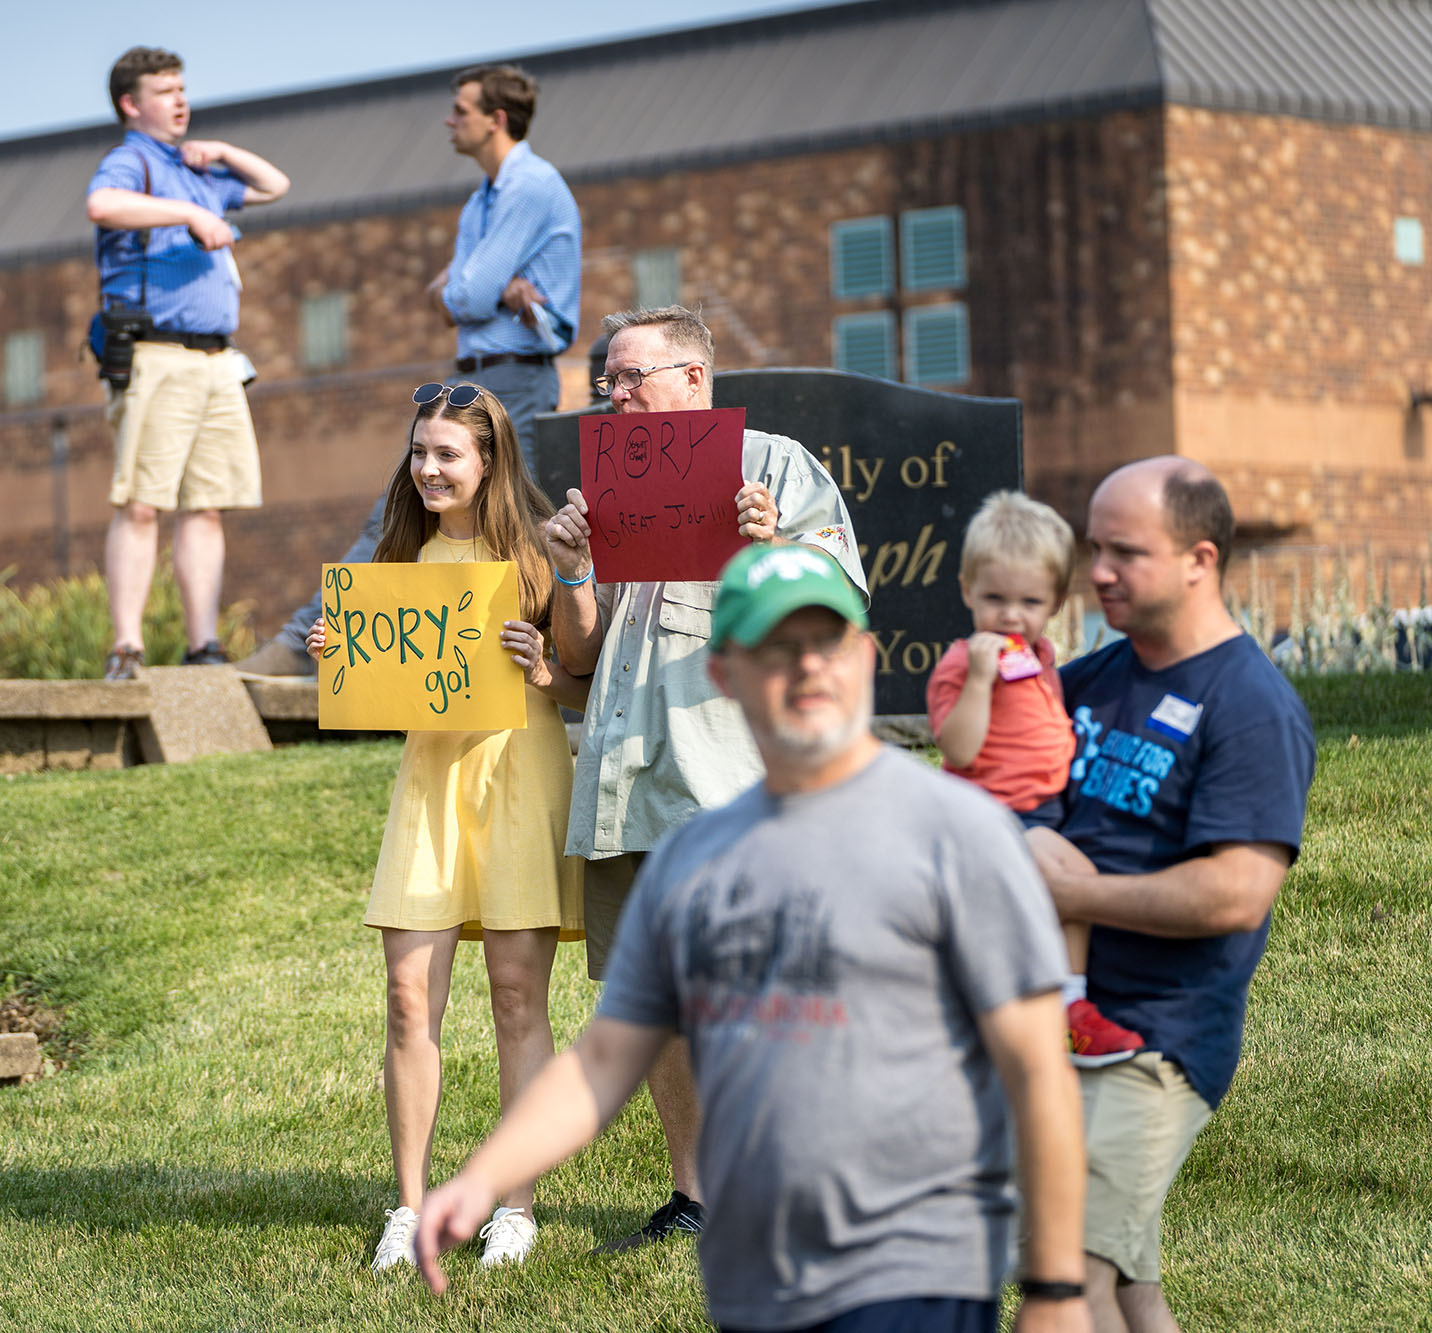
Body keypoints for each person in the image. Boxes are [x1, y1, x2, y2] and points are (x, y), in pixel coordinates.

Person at [416, 543, 1091, 1333]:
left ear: (867, 657)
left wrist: (1056, 1289)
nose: (807, 667)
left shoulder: (959, 834)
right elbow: (605, 1059)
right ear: (724, 674)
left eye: (826, 641)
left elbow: (1039, 1071)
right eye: (774, 649)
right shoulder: (690, 863)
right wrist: (485, 1175)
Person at [542, 305, 866, 1251]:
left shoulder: (773, 468)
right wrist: (571, 573)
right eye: (607, 378)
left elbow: (838, 610)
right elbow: (585, 654)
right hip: (623, 779)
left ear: (693, 377)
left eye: (632, 375)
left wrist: (770, 548)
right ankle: (696, 1197)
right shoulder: (608, 488)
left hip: (725, 777)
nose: (615, 392)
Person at [1025, 459, 1315, 1333]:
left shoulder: (1250, 706)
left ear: (1200, 558)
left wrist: (1076, 891)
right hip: (1059, 1023)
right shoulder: (1091, 679)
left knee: (1069, 1276)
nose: (1097, 570)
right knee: (1133, 1292)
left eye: (1125, 552)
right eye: (1093, 547)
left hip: (1155, 1040)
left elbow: (1234, 894)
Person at [306, 383, 585, 1274]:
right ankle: (409, 1205)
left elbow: (583, 681)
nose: (427, 469)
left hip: (519, 777)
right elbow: (390, 685)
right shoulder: (396, 557)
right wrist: (341, 655)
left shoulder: (539, 556)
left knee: (515, 1000)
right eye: (419, 453)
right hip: (430, 789)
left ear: (490, 461)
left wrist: (544, 667)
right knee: (408, 1000)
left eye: (447, 455)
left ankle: (516, 1205)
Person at [235, 63, 579, 679]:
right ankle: (334, 643)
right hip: (476, 374)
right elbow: (452, 293)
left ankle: (544, 656)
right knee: (420, 505)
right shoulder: (481, 200)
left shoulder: (531, 187)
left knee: (506, 516)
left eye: (461, 110)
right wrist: (489, 290)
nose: (449, 120)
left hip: (518, 378)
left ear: (495, 120)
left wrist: (477, 291)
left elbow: (464, 296)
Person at [86, 46, 290, 679]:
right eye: (164, 90)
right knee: (143, 503)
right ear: (131, 103)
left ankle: (203, 645)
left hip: (217, 362)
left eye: (182, 88)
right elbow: (102, 206)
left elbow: (274, 185)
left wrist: (222, 151)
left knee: (207, 505)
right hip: (157, 355)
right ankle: (127, 645)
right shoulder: (133, 160)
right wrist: (191, 212)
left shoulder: (196, 166)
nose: (180, 100)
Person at [927, 491, 1144, 1065]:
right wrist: (977, 679)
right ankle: (1067, 1009)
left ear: (1052, 604)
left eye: (1029, 601)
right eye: (995, 598)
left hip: (1042, 809)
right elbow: (957, 746)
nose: (1011, 616)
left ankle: (1042, 1004)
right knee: (1078, 882)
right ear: (968, 590)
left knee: (1058, 899)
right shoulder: (963, 662)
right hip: (993, 814)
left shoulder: (1041, 654)